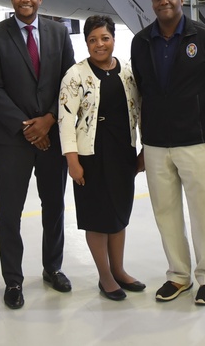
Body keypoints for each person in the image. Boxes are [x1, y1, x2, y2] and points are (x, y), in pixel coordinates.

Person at [0, 0, 76, 310]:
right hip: (11, 140)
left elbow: (69, 83)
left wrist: (49, 120)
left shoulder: (59, 32)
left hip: (52, 135)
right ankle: (14, 280)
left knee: (54, 206)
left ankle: (53, 268)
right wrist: (26, 127)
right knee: (10, 212)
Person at [131, 0, 205, 306]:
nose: (164, 1)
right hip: (157, 143)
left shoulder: (204, 37)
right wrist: (144, 144)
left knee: (202, 213)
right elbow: (143, 91)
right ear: (152, 2)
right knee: (166, 212)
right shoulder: (141, 42)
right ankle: (178, 275)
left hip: (194, 139)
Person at [59, 15, 145, 302]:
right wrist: (72, 161)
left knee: (119, 214)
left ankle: (119, 270)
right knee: (97, 218)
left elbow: (140, 110)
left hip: (122, 151)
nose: (99, 44)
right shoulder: (75, 75)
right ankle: (105, 276)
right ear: (85, 43)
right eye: (93, 40)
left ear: (113, 40)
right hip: (90, 155)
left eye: (104, 38)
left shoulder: (127, 72)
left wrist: (142, 148)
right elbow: (65, 120)